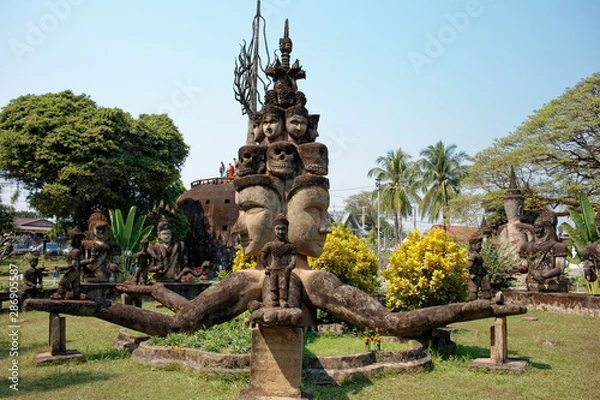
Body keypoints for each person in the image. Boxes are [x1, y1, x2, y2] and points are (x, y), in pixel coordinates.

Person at [260, 215, 296, 307]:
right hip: (273, 268)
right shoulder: (269, 245)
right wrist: (266, 267)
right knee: (273, 286)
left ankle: (283, 300)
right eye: (278, 229)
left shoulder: (290, 246)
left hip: (284, 269)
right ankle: (274, 299)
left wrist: (290, 266)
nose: (281, 232)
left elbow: (293, 259)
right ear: (274, 229)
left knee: (284, 286)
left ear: (287, 230)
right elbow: (263, 257)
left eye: (283, 229)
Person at [51, 229, 86, 300]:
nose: (70, 241)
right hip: (77, 271)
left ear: (75, 240)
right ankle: (76, 295)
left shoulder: (75, 251)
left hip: (73, 270)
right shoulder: (76, 250)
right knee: (75, 286)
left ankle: (60, 295)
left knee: (62, 283)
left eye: (71, 239)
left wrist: (63, 268)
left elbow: (74, 264)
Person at [467, 234, 491, 301]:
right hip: (474, 275)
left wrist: (485, 271)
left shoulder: (478, 255)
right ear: (472, 246)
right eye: (479, 245)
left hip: (481, 274)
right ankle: (472, 303)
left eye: (481, 245)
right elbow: (469, 265)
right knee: (473, 290)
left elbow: (480, 265)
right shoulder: (473, 256)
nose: (480, 247)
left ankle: (487, 300)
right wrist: (471, 273)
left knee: (486, 288)